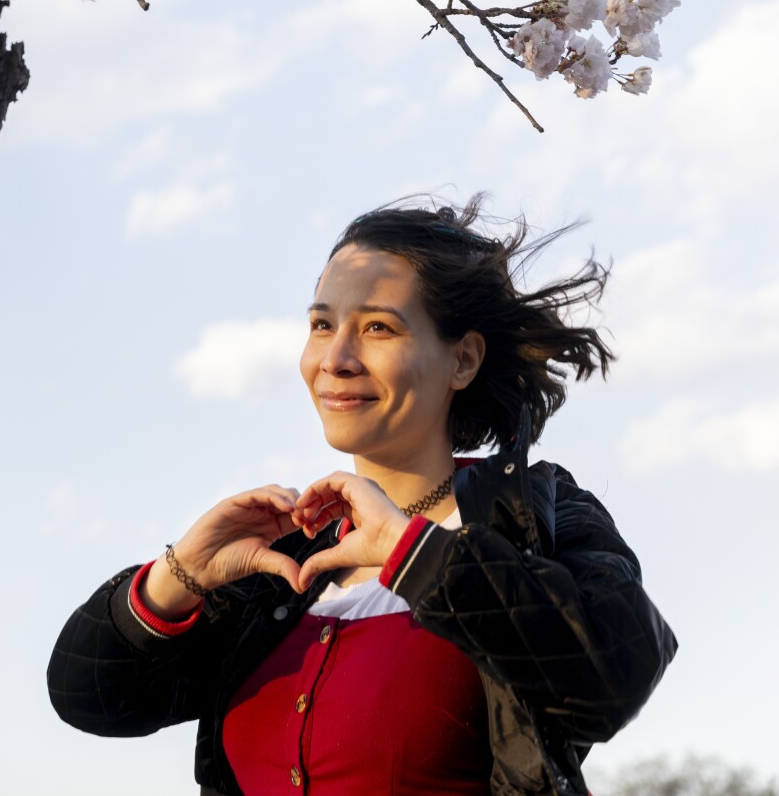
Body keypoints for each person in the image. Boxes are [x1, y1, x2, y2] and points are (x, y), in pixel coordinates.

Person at [46, 196, 677, 795]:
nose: (337, 358)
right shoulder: (282, 564)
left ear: (463, 360)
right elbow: (88, 699)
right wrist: (180, 573)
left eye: (378, 327)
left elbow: (613, 675)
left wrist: (415, 553)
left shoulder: (534, 517)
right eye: (322, 325)